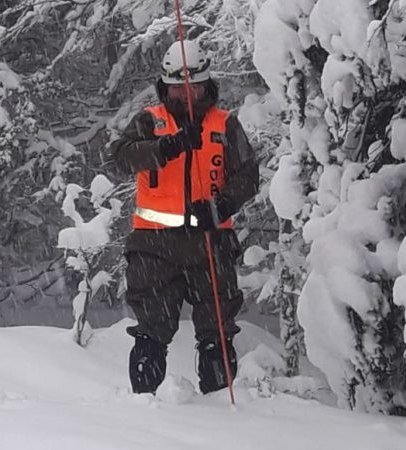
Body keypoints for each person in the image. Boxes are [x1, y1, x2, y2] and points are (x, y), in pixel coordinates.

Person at [107, 40, 259, 395]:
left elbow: (248, 175)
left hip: (211, 242)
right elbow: (119, 160)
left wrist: (220, 206)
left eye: (194, 87)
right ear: (165, 86)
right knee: (151, 331)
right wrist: (166, 147)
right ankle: (145, 409)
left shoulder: (226, 125)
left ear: (207, 86)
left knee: (217, 333)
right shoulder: (150, 121)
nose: (186, 94)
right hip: (154, 246)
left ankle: (222, 410)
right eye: (177, 87)